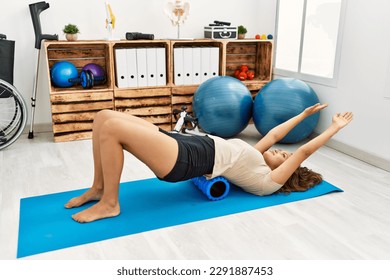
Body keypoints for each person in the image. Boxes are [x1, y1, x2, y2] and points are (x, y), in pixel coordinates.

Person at [65, 103, 353, 223]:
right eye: (283, 153)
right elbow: (276, 133)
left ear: (284, 173)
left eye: (284, 158)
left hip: (187, 159)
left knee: (114, 130)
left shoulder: (266, 182)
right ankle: (99, 188)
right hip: (191, 145)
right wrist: (303, 115)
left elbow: (302, 152)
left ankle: (111, 204)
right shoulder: (256, 157)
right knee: (104, 117)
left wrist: (334, 128)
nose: (281, 151)